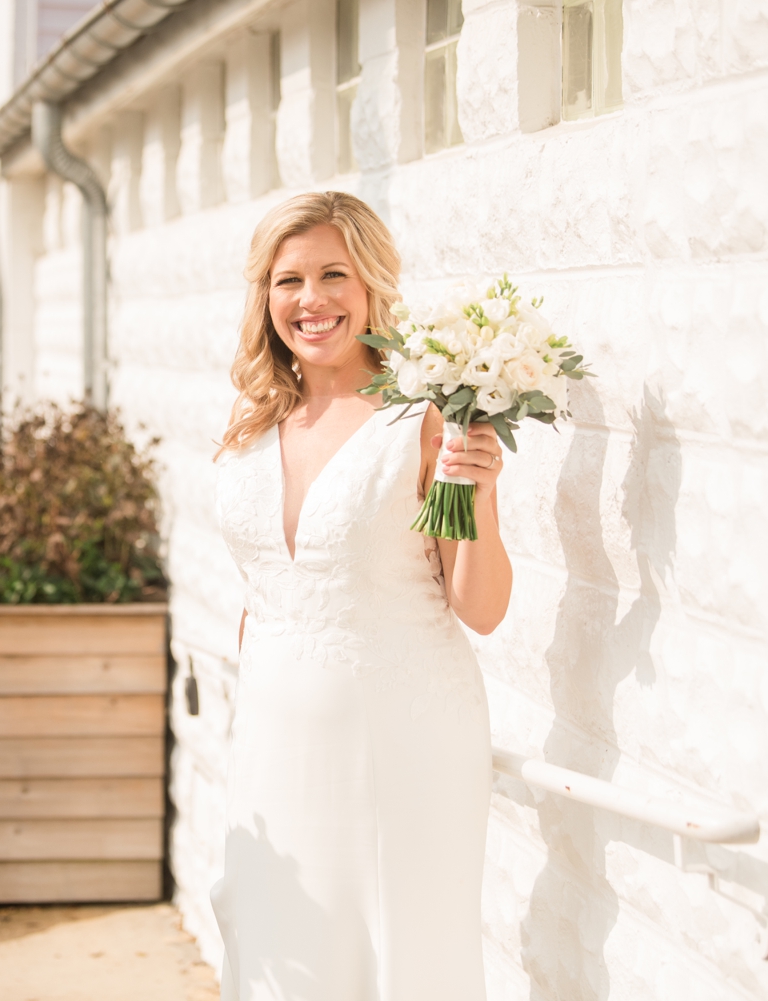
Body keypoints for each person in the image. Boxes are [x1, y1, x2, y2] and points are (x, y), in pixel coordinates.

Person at [210, 191, 513, 1001]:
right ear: (264, 295)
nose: (311, 300)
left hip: (398, 740)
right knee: (281, 949)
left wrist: (478, 492)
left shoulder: (424, 420)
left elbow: (479, 606)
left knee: (393, 956)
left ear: (373, 283)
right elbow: (267, 587)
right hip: (272, 739)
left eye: (333, 274)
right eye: (289, 279)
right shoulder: (254, 420)